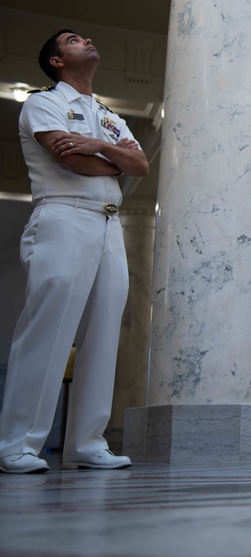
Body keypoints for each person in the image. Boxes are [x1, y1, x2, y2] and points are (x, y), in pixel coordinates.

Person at [0, 30, 148, 474]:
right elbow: (69, 160)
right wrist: (113, 160)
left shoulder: (107, 116)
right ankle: (16, 444)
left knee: (104, 329)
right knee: (49, 328)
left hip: (107, 223)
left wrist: (99, 145)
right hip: (62, 216)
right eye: (73, 39)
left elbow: (140, 165)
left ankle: (86, 441)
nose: (86, 40)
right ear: (56, 61)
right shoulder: (42, 103)